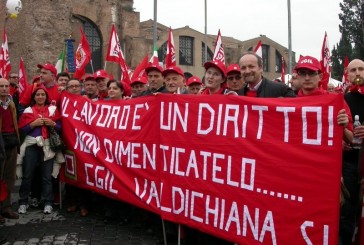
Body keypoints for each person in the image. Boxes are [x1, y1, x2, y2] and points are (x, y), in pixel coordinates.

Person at [17, 85, 61, 214]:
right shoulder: (27, 111)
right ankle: (23, 202)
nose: (40, 97)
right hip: (31, 146)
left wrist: (53, 124)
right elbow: (22, 130)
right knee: (27, 175)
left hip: (47, 146)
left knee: (47, 176)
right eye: (38, 95)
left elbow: (60, 127)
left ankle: (48, 202)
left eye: (43, 94)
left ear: (46, 97)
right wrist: (32, 124)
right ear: (33, 97)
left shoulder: (53, 110)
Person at [342, 59, 364, 244]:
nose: (357, 73)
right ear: (347, 74)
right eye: (353, 70)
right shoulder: (343, 99)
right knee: (348, 211)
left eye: (361, 69)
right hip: (349, 164)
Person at [0, 78, 20, 221]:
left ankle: (6, 207)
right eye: (1, 86)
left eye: (6, 86)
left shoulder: (11, 103)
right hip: (0, 141)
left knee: (9, 177)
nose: (4, 89)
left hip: (11, 141)